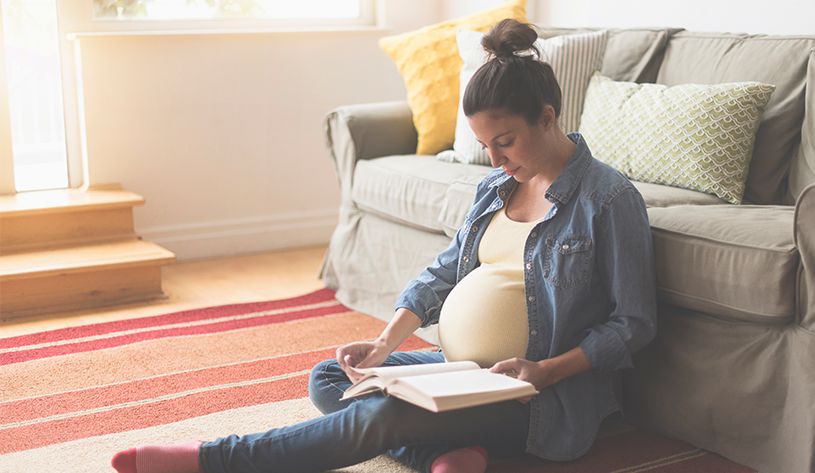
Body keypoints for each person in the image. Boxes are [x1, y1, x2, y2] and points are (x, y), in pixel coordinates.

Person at [111, 18, 657, 473]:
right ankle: (449, 454)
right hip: (459, 371)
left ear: (546, 117)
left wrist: (546, 371)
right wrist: (383, 343)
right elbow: (446, 272)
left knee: (380, 415)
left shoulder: (607, 200)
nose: (494, 159)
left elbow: (632, 325)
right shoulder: (497, 187)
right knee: (336, 376)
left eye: (505, 142)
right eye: (485, 145)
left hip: (533, 394)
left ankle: (214, 460)